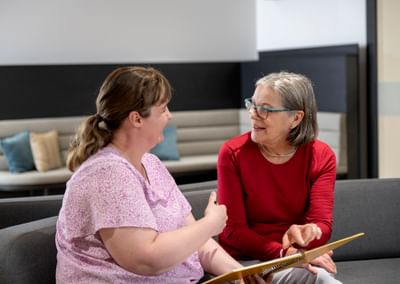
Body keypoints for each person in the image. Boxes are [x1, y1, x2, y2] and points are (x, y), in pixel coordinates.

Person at [55, 66, 274, 284]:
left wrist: (239, 273)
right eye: (163, 109)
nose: (169, 116)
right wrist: (210, 223)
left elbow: (197, 243)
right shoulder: (106, 174)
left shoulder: (151, 164)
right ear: (136, 119)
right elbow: (145, 261)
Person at [217, 72, 342, 283]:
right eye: (252, 104)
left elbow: (322, 224)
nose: (253, 114)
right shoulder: (232, 152)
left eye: (265, 109)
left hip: (292, 258)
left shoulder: (321, 156)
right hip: (243, 261)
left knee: (321, 279)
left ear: (295, 118)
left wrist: (311, 232)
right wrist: (284, 254)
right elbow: (232, 231)